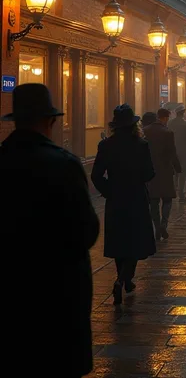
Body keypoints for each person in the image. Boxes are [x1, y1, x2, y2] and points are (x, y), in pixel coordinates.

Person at [0, 84, 99, 378]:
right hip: (58, 290)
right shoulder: (64, 164)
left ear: (15, 121)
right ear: (51, 121)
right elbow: (87, 230)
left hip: (9, 290)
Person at [92, 103, 155, 305]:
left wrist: (108, 190)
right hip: (136, 197)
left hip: (116, 198)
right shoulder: (141, 145)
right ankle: (123, 279)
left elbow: (95, 175)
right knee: (135, 240)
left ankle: (124, 279)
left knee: (119, 240)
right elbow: (148, 173)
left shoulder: (105, 145)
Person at [144, 108, 182, 240]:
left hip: (150, 171)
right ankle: (163, 225)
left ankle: (157, 227)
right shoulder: (168, 133)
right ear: (165, 118)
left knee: (153, 201)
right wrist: (178, 168)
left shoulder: (146, 131)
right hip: (165, 170)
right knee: (167, 199)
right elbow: (172, 152)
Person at [169, 104, 186, 202]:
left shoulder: (170, 123)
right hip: (184, 151)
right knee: (183, 173)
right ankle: (181, 193)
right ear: (183, 113)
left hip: (172, 150)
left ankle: (172, 191)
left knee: (174, 172)